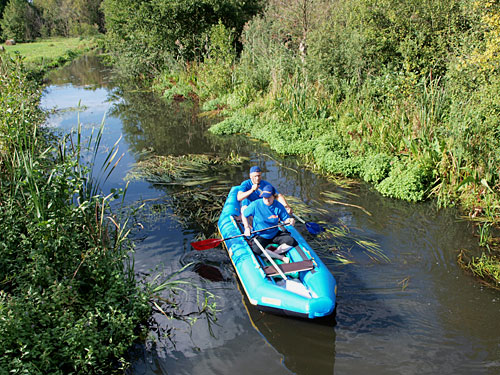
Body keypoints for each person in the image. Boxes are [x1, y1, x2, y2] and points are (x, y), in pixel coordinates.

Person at [243, 185, 297, 263]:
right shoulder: (255, 204)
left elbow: (285, 220)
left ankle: (273, 254)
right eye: (265, 197)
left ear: (274, 197)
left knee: (291, 241)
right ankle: (280, 257)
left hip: (274, 233)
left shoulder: (278, 206)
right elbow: (244, 215)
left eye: (269, 197)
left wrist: (290, 220)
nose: (267, 200)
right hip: (260, 234)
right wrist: (247, 227)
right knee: (255, 249)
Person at [237, 166, 293, 231]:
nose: (257, 178)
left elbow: (278, 196)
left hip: (262, 207)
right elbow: (239, 197)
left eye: (259, 176)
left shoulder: (265, 184)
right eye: (255, 176)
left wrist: (286, 206)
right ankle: (249, 228)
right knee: (244, 209)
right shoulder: (246, 184)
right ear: (250, 176)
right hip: (250, 207)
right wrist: (252, 190)